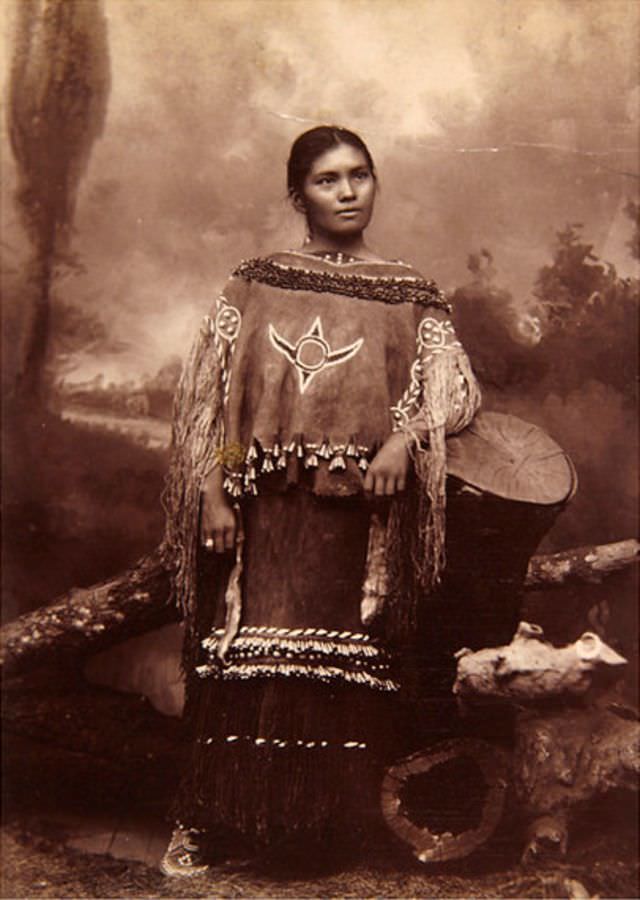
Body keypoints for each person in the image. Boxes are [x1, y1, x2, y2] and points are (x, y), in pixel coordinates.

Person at [159, 125, 481, 876]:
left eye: (360, 176)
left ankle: (319, 825)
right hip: (262, 508)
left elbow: (455, 392)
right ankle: (208, 819)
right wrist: (213, 487)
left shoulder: (409, 294)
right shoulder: (256, 282)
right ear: (296, 193)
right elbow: (215, 402)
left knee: (342, 665)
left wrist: (406, 440)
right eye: (327, 179)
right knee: (239, 655)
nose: (346, 192)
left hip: (359, 513)